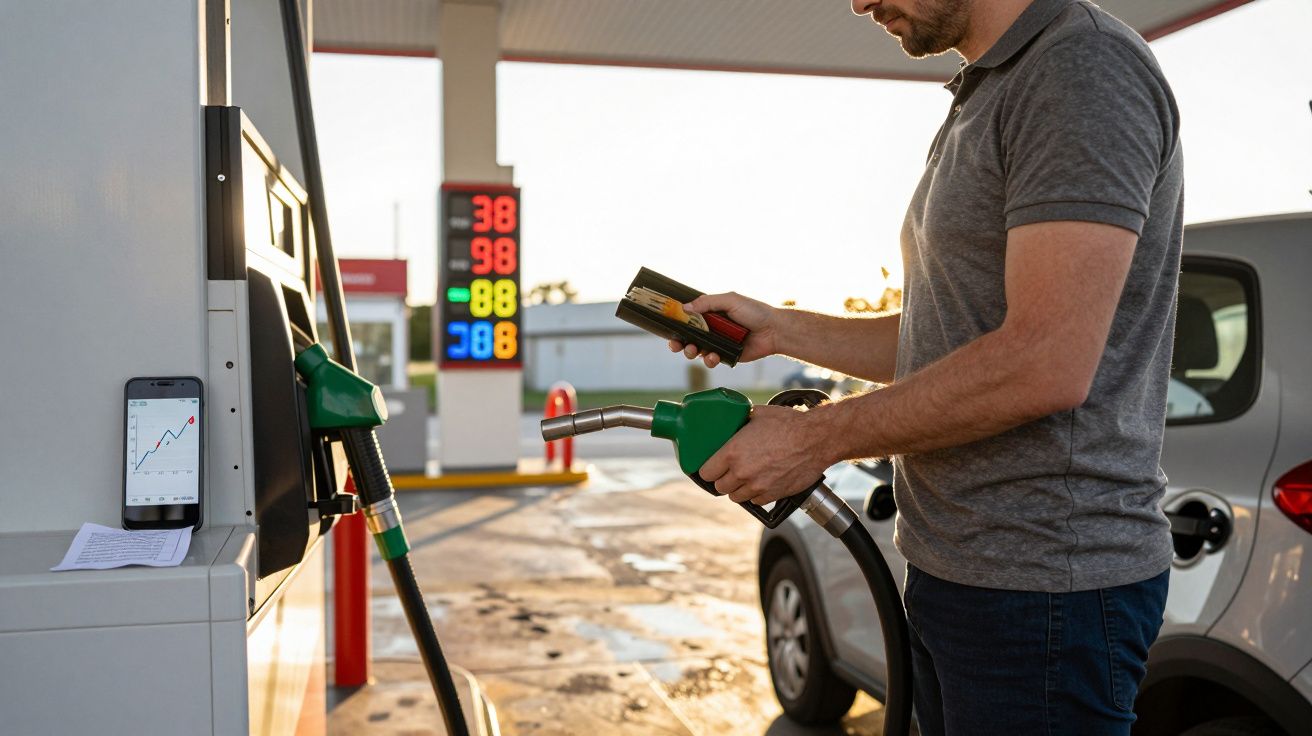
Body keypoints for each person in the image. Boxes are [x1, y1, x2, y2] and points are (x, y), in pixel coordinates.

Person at [670, 0, 1183, 733]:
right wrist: (781, 330)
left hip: (1043, 590)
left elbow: (1043, 361)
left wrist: (814, 438)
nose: (859, 2)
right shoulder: (992, 87)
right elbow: (948, 339)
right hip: (959, 570)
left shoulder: (1080, 67)